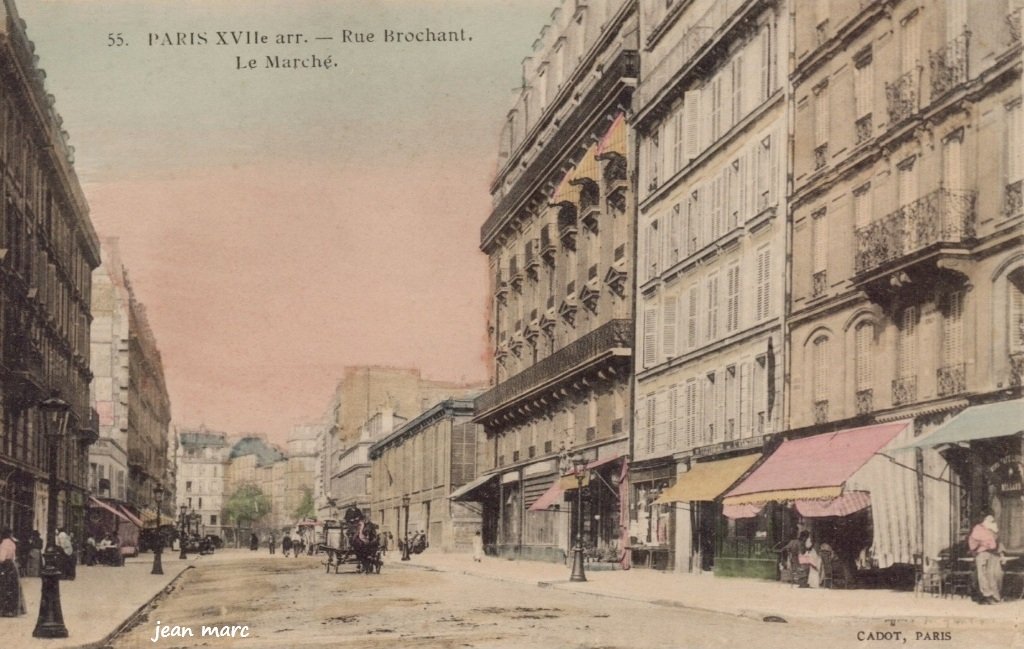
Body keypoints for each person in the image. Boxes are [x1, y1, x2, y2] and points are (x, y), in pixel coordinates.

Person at [968, 513, 1005, 604]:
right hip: (983, 554)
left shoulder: (993, 530)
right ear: (984, 520)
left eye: (992, 520)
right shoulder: (978, 529)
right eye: (989, 519)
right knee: (983, 575)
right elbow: (973, 542)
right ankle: (987, 595)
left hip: (994, 555)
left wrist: (1002, 555)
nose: (992, 521)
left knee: (996, 575)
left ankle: (996, 596)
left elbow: (998, 543)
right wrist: (984, 544)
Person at [0, 527, 25, 617]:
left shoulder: (3, 544)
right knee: (12, 587)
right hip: (12, 566)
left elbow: (2, 558)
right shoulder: (12, 543)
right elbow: (14, 557)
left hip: (5, 566)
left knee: (4, 586)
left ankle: (4, 609)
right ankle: (12, 610)